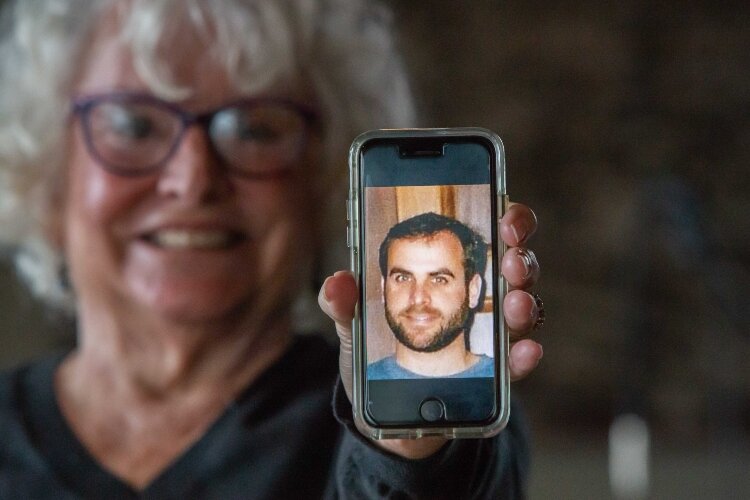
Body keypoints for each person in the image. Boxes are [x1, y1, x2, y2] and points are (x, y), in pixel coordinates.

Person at [0, 0, 544, 498]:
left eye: (255, 130)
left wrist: (410, 451)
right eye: (134, 124)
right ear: (49, 170)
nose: (193, 181)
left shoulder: (436, 430)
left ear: (324, 178)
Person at [369, 212, 494, 379]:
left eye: (439, 280)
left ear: (473, 291)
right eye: (403, 278)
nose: (418, 297)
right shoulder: (355, 388)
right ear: (384, 288)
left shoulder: (505, 382)